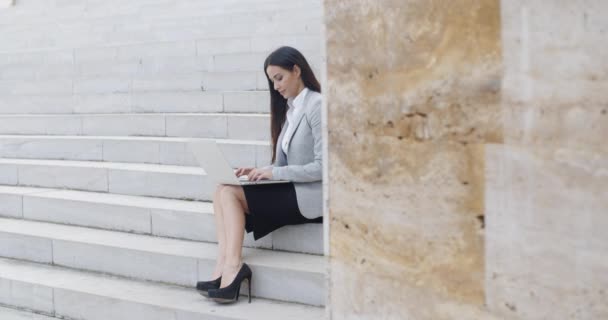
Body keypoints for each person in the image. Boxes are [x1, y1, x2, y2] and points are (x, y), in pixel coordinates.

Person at [196, 46, 323, 304]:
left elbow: (323, 167)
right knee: (221, 188)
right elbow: (283, 163)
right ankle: (222, 266)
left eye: (279, 78)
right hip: (291, 188)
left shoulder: (317, 105)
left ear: (297, 70)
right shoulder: (291, 110)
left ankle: (233, 266)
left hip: (310, 195)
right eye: (271, 81)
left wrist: (274, 171)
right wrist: (257, 171)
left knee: (230, 194)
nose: (275, 86)